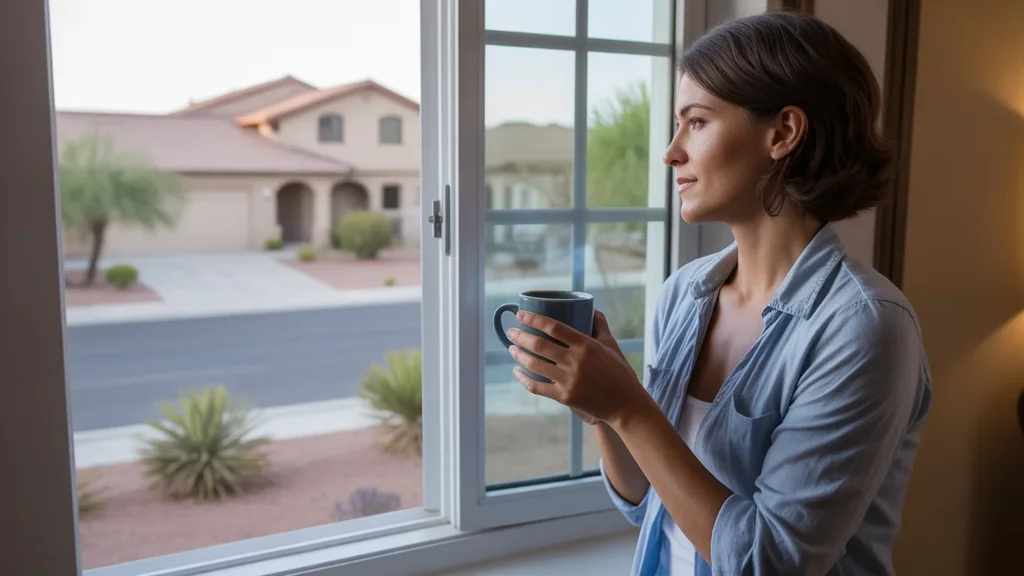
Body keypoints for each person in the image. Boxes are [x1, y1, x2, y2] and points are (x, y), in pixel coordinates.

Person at [503, 11, 932, 576]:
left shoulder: (864, 327)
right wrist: (600, 409)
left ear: (782, 133)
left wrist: (629, 407)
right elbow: (643, 501)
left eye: (697, 122)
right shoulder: (686, 294)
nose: (671, 151)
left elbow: (769, 563)